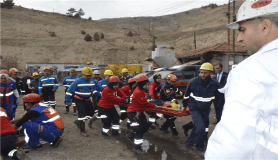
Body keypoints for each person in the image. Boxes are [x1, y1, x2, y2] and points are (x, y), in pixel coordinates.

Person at [206, 1, 278, 159]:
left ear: (265, 26)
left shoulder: (252, 69)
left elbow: (233, 139)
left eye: (242, 30)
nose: (239, 38)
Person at [182, 62, 224, 157]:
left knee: (198, 127)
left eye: (205, 73)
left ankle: (189, 142)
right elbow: (186, 95)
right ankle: (199, 146)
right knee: (201, 127)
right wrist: (184, 105)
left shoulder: (215, 84)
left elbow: (223, 93)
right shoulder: (193, 82)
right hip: (194, 107)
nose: (202, 74)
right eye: (201, 72)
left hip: (205, 109)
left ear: (210, 73)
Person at [126, 74, 161, 154]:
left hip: (139, 112)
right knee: (139, 131)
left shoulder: (140, 90)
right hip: (134, 113)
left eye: (147, 84)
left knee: (145, 127)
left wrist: (147, 97)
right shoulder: (138, 92)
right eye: (146, 84)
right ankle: (137, 147)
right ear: (141, 84)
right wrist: (154, 105)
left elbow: (143, 99)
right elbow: (144, 103)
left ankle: (131, 135)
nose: (147, 86)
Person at [65, 67, 103, 137]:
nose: (89, 77)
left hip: (87, 99)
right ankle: (82, 131)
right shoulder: (77, 81)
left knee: (91, 114)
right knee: (82, 115)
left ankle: (78, 121)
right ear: (83, 74)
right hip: (79, 100)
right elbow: (69, 91)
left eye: (90, 75)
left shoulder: (93, 81)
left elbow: (101, 88)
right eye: (87, 75)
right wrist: (67, 100)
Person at [159, 74, 181, 139]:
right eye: (173, 81)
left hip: (170, 103)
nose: (174, 83)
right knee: (170, 117)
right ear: (168, 80)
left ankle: (164, 127)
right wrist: (174, 101)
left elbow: (176, 92)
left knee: (173, 117)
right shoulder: (165, 87)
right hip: (164, 103)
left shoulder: (171, 85)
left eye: (175, 81)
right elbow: (169, 96)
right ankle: (175, 133)